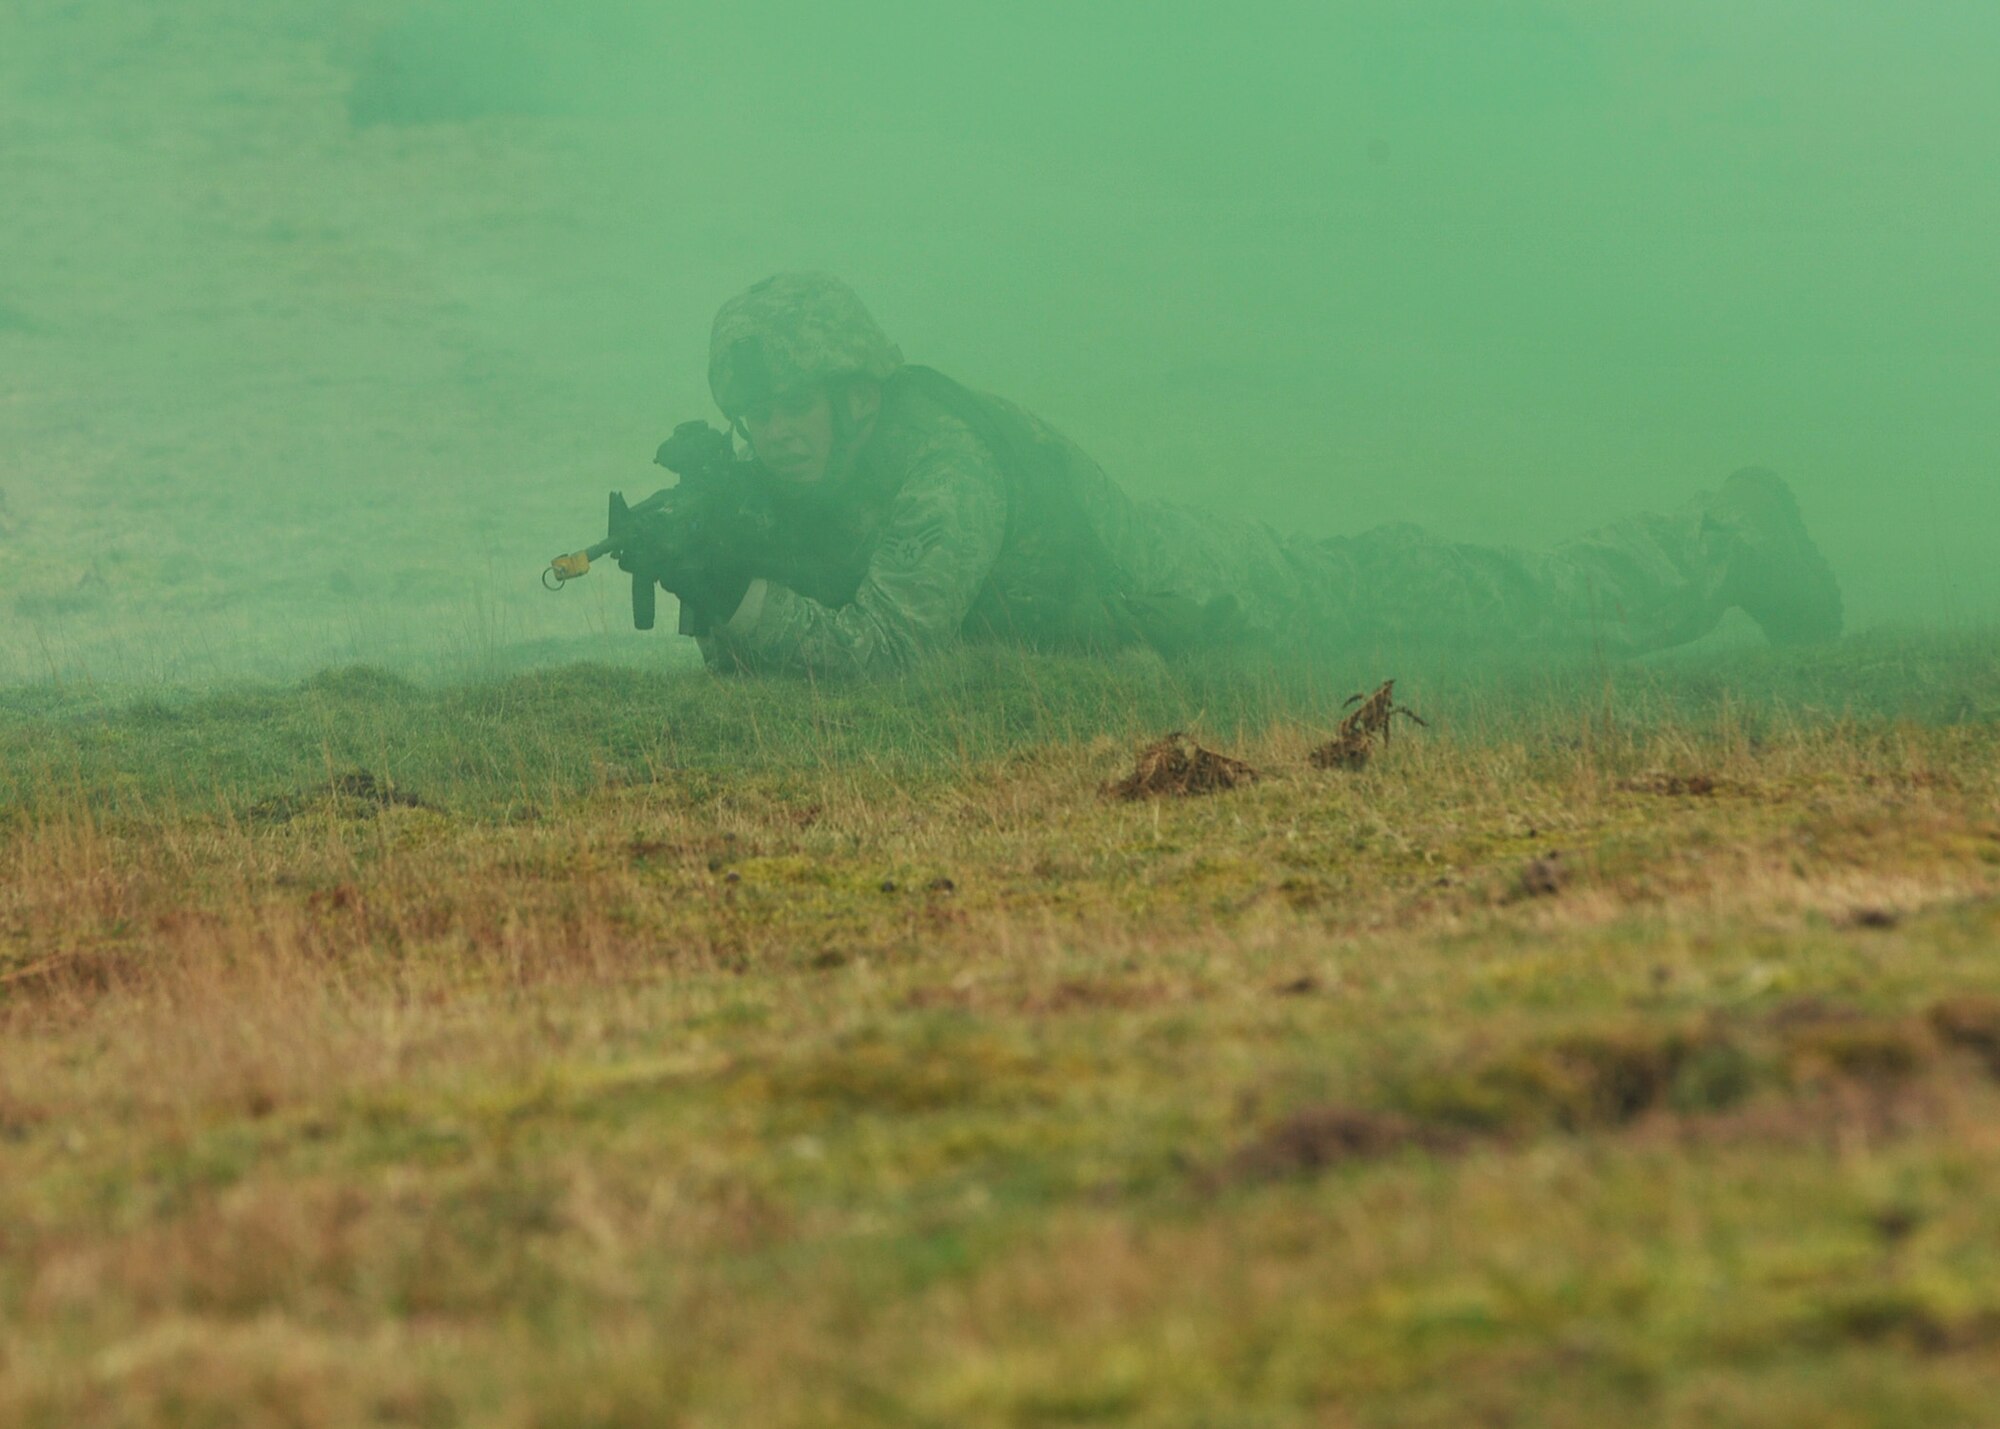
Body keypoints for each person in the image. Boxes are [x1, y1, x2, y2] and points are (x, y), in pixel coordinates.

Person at [668, 272, 1842, 679]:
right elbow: (807, 636)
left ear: (855, 391)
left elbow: (876, 651)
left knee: (1519, 609)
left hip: (1233, 610)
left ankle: (1727, 539)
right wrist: (717, 579)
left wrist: (735, 598)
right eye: (749, 409)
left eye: (788, 402)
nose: (769, 428)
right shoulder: (832, 474)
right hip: (1181, 604)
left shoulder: (941, 467)